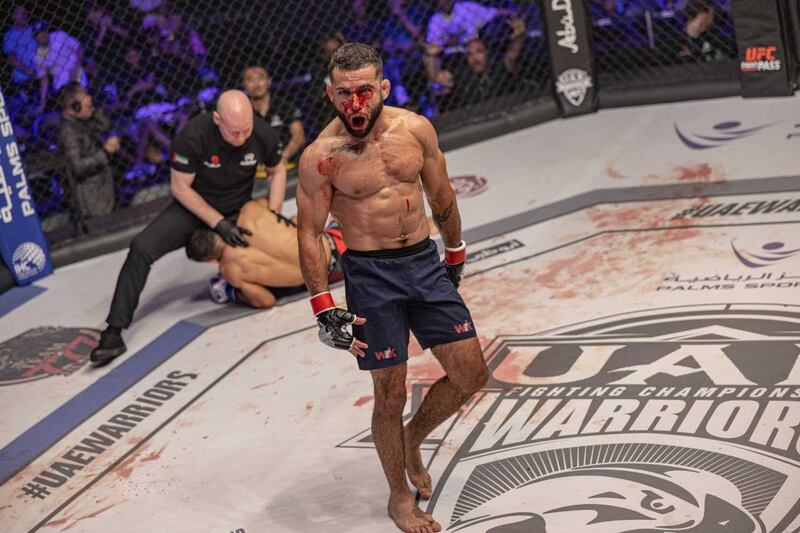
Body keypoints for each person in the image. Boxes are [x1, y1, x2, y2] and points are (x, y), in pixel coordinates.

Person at [296, 43, 488, 533]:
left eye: (365, 90)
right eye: (344, 94)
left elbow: (442, 195)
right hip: (370, 275)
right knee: (389, 390)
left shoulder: (415, 129)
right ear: (330, 93)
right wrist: (323, 307)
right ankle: (399, 497)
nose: (355, 104)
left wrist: (456, 252)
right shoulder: (321, 156)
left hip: (423, 261)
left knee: (471, 374)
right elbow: (309, 232)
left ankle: (412, 437)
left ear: (382, 86)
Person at [90, 90, 287, 364]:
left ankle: (237, 286)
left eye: (246, 130)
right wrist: (219, 223)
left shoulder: (261, 132)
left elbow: (278, 171)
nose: (241, 138)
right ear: (217, 119)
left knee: (277, 247)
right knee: (141, 248)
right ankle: (113, 332)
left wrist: (274, 214)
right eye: (234, 133)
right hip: (193, 208)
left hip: (238, 206)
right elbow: (180, 188)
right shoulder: (194, 136)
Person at [185, 197, 346, 308]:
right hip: (339, 237)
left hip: (333, 270)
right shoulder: (249, 213)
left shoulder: (232, 272)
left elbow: (266, 301)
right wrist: (273, 223)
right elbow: (269, 204)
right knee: (294, 221)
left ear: (211, 261)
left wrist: (237, 291)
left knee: (269, 284)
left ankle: (229, 292)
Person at [56, 82, 119, 220]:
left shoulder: (83, 121)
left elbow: (106, 126)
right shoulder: (68, 131)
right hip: (91, 201)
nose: (90, 98)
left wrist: (94, 112)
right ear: (75, 106)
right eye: (85, 96)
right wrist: (106, 152)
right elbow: (77, 167)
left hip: (103, 191)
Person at [241, 65, 306, 167]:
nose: (256, 84)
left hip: (289, 166)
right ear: (244, 84)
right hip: (255, 169)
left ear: (269, 81)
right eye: (250, 80)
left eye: (260, 78)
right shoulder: (242, 113)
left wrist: (283, 158)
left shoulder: (284, 107)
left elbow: (299, 136)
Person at [33, 22, 88, 114]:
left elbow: (80, 49)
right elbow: (44, 80)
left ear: (47, 31)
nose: (41, 35)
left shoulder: (60, 36)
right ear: (35, 38)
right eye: (38, 34)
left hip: (76, 73)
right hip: (60, 84)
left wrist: (75, 67)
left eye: (43, 32)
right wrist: (42, 104)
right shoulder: (38, 55)